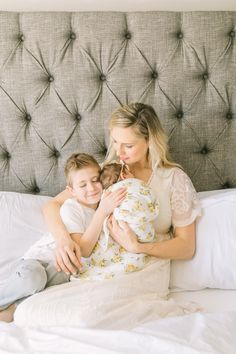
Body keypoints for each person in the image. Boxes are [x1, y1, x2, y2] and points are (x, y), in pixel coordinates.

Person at [42, 103, 201, 276]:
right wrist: (63, 240)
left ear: (149, 141)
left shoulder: (173, 179)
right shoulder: (104, 173)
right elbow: (51, 205)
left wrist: (139, 247)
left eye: (128, 145)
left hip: (144, 267)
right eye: (115, 141)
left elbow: (186, 247)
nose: (119, 152)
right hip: (103, 265)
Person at [0, 153, 126, 322]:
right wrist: (103, 210)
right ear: (71, 191)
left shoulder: (101, 208)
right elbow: (84, 249)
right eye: (83, 184)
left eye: (95, 180)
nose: (92, 188)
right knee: (34, 280)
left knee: (51, 289)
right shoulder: (72, 207)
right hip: (39, 261)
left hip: (64, 269)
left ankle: (14, 309)